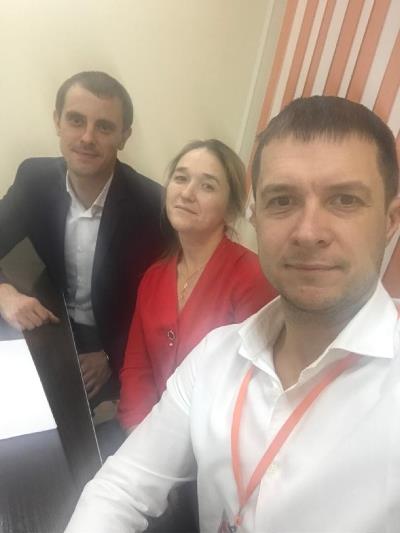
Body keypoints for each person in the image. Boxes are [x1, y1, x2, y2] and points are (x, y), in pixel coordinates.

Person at [65, 95, 400, 533]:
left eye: (344, 200)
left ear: (390, 220)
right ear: (256, 217)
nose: (308, 232)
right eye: (282, 200)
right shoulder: (217, 354)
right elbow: (120, 487)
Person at [0, 71, 166, 405]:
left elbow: (161, 303)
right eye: (76, 120)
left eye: (104, 127)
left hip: (114, 337)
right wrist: (4, 294)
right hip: (51, 318)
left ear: (124, 136)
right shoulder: (34, 178)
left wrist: (110, 356)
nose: (87, 138)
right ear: (57, 122)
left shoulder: (152, 205)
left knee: (69, 416)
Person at [118, 139, 276, 430]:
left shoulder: (252, 277)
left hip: (215, 441)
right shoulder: (154, 277)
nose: (187, 193)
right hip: (151, 433)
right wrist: (138, 434)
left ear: (230, 208)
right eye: (181, 178)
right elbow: (136, 368)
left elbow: (256, 389)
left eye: (207, 186)